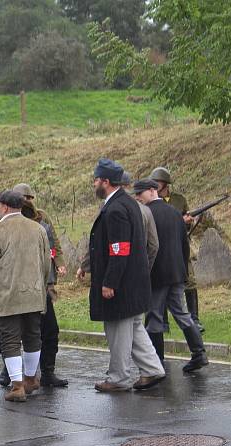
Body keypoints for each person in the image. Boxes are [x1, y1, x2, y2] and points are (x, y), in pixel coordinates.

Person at [85, 159, 165, 392]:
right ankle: (152, 369)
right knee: (135, 327)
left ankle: (118, 378)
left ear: (106, 182)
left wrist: (109, 282)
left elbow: (119, 249)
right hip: (135, 282)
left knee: (118, 330)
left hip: (121, 284)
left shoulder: (116, 208)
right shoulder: (128, 203)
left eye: (96, 180)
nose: (94, 184)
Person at [0, 191, 52, 402]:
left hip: (7, 296)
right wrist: (40, 287)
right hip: (34, 295)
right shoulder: (38, 229)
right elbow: (45, 263)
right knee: (33, 336)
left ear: (5, 207)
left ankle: (17, 386)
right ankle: (31, 379)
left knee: (10, 340)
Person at [133, 179, 208, 372]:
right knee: (182, 314)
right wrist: (183, 270)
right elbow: (185, 244)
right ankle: (199, 354)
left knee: (155, 317)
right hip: (176, 272)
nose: (138, 199)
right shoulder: (175, 213)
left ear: (151, 191)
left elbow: (146, 246)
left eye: (140, 195)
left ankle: (156, 362)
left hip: (157, 273)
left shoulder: (147, 214)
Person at [11, 183, 68, 387]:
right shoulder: (10, 220)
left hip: (43, 283)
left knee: (49, 330)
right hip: (18, 284)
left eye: (28, 197)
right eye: (22, 198)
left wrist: (59, 264)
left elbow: (54, 243)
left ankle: (48, 372)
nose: (26, 201)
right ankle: (12, 372)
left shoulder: (42, 218)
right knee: (15, 332)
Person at [149, 167, 204, 333]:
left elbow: (188, 226)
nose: (155, 185)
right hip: (160, 247)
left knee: (190, 281)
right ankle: (162, 323)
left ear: (165, 183)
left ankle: (194, 319)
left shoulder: (179, 200)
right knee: (161, 283)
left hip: (179, 246)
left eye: (157, 182)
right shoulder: (152, 202)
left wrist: (188, 222)